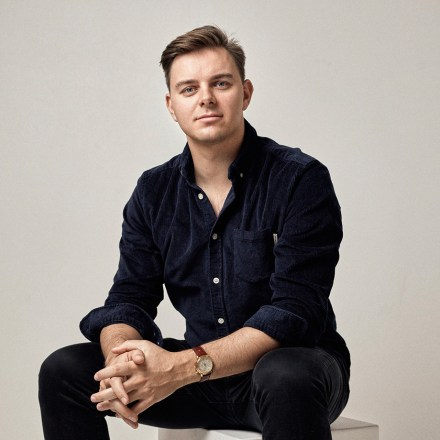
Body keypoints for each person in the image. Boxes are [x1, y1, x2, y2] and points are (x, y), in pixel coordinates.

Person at [39, 25, 350, 440]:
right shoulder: (153, 191)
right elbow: (129, 297)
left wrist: (179, 367)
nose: (206, 98)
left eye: (220, 83)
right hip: (198, 385)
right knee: (63, 370)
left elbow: (293, 313)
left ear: (245, 93)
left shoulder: (299, 179)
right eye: (189, 88)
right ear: (172, 105)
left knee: (285, 372)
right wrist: (120, 360)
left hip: (288, 378)